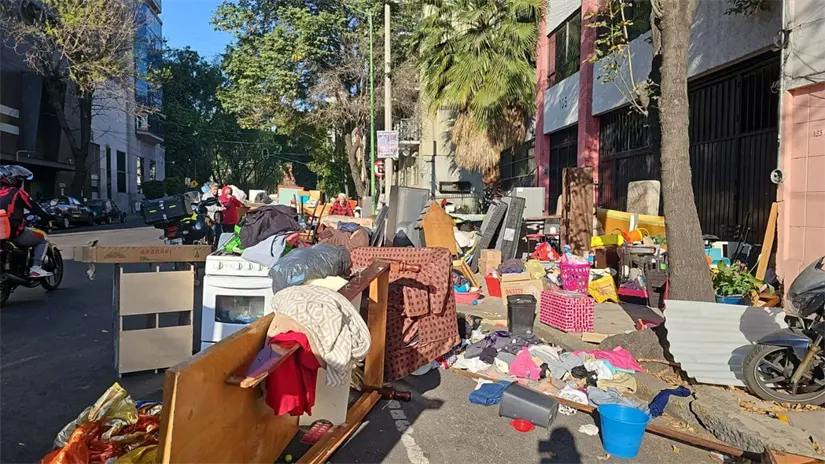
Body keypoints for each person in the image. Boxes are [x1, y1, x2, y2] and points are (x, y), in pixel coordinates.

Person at [0, 165, 54, 277]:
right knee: (42, 240)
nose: (21, 182)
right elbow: (34, 207)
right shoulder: (17, 192)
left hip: (1, 232)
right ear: (13, 179)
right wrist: (47, 217)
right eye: (20, 179)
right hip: (13, 231)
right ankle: (36, 268)